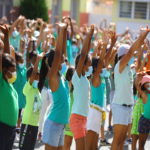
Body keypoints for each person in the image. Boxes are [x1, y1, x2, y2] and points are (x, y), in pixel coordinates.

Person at [111, 27, 150, 150]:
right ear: (123, 55)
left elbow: (132, 84)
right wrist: (143, 35)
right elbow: (133, 50)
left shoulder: (128, 68)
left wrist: (139, 77)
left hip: (128, 107)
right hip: (120, 106)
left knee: (122, 140)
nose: (132, 55)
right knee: (117, 139)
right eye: (129, 54)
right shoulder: (120, 65)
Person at [40, 23, 69, 150]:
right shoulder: (52, 76)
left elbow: (61, 52)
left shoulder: (60, 75)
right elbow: (58, 53)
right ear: (54, 62)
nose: (63, 59)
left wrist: (64, 31)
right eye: (60, 59)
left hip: (61, 124)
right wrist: (61, 31)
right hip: (53, 124)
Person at [70, 25, 94, 150]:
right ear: (83, 64)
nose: (91, 64)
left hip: (84, 118)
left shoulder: (85, 78)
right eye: (89, 62)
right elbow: (84, 53)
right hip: (77, 118)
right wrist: (89, 36)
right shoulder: (77, 77)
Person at [0, 25, 19, 150]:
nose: (14, 71)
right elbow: (3, 58)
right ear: (5, 69)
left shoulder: (9, 85)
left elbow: (6, 58)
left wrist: (7, 37)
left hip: (11, 130)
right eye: (12, 69)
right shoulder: (1, 82)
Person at [19, 54, 43, 150]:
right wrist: (37, 60)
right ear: (30, 77)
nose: (38, 76)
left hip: (35, 126)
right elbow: (33, 74)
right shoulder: (27, 88)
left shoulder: (37, 90)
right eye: (36, 74)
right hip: (27, 124)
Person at [136, 75, 150, 150]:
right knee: (141, 143)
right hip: (145, 121)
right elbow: (138, 87)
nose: (149, 86)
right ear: (144, 86)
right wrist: (139, 81)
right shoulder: (144, 95)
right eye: (147, 84)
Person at [63, 67, 75, 150]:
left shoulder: (78, 87)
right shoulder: (67, 86)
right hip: (68, 118)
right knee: (67, 144)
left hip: (78, 117)